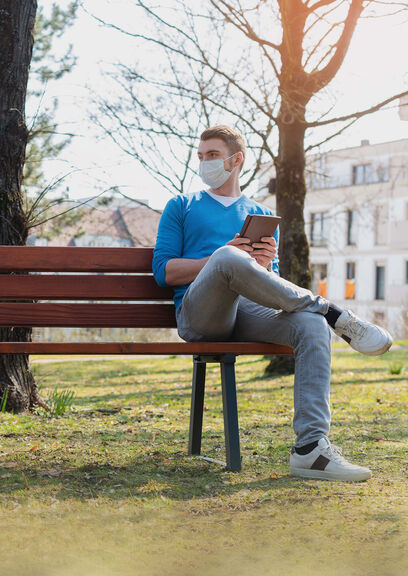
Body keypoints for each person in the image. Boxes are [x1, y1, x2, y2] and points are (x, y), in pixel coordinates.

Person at [153, 125, 392, 482]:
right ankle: (332, 312)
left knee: (309, 324)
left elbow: (274, 288)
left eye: (213, 156)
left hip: (250, 312)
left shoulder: (261, 214)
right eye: (201, 157)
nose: (204, 163)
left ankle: (311, 450)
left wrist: (263, 265)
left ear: (237, 160)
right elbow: (164, 272)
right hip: (201, 315)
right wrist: (223, 259)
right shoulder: (181, 206)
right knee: (226, 257)